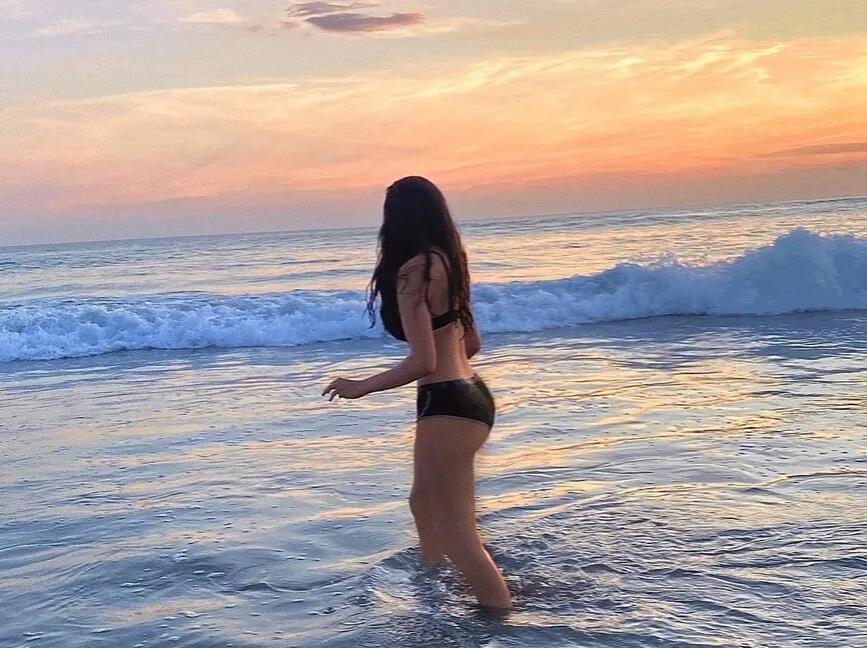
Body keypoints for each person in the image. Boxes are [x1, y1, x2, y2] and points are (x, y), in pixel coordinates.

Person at [322, 176, 512, 610]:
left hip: (446, 403)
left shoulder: (414, 271)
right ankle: (437, 589)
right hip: (472, 396)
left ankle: (500, 619)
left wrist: (361, 386)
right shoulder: (449, 262)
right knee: (422, 502)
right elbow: (472, 343)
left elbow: (423, 361)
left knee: (457, 533)